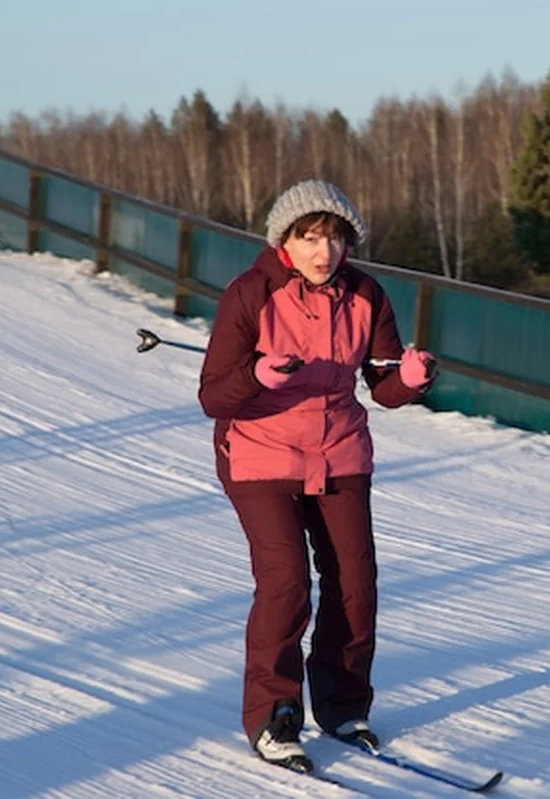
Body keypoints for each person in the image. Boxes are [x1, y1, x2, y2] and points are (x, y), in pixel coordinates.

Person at [197, 179, 437, 774]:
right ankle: (274, 714)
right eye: (309, 237)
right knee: (286, 581)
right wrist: (258, 375)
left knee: (355, 581)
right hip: (258, 452)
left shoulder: (365, 295)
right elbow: (213, 394)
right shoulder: (251, 294)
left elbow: (383, 385)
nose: (323, 251)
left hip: (339, 451)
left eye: (334, 238)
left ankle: (344, 706)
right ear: (285, 240)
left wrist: (410, 379)